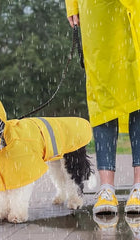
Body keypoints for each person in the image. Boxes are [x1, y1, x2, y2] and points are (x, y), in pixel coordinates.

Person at [65, 0, 140, 214]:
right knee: (102, 94)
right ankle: (106, 188)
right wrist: (72, 4)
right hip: (96, 9)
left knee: (138, 89)